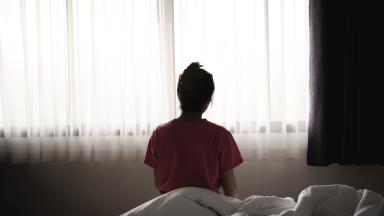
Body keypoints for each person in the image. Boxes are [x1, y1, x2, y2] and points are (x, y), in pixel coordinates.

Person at [144, 62, 243, 198]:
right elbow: (231, 191)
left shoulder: (159, 135)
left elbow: (159, 183)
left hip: (170, 207)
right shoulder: (220, 135)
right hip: (208, 208)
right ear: (206, 103)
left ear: (180, 97)